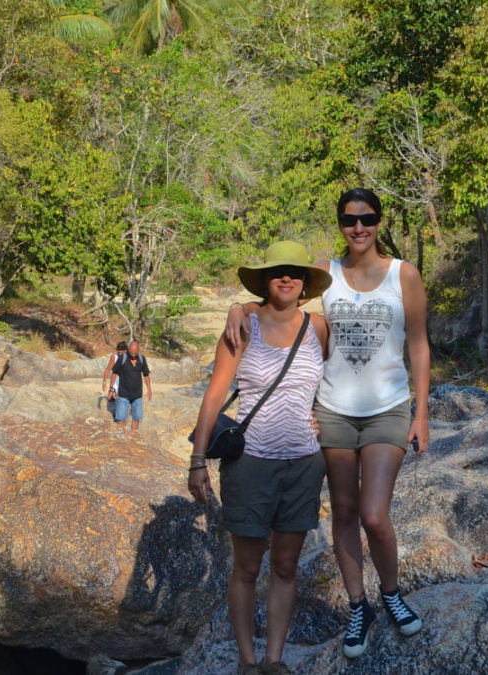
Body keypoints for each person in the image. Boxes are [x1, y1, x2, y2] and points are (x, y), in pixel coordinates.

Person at [225, 188, 430, 659]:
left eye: (368, 218)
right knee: (343, 512)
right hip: (333, 410)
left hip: (388, 408)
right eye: (349, 219)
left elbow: (419, 344)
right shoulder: (326, 274)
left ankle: (391, 593)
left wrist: (421, 412)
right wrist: (240, 308)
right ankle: (359, 606)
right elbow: (281, 302)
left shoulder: (404, 274)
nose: (359, 228)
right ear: (340, 223)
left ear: (379, 222)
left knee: (374, 514)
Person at [189, 240, 331, 675]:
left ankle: (274, 660)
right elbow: (215, 394)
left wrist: (323, 417)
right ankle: (247, 662)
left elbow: (335, 382)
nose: (286, 278)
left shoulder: (319, 327)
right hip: (251, 463)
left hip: (304, 464)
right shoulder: (242, 328)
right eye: (277, 272)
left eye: (295, 272)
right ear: (265, 280)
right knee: (247, 567)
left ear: (305, 282)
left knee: (286, 566)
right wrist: (197, 460)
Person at [108, 340, 152, 430]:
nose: (133, 355)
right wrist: (111, 388)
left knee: (136, 418)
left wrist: (149, 390)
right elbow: (114, 373)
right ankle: (119, 435)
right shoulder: (123, 358)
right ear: (128, 350)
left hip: (137, 395)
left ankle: (133, 436)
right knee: (121, 418)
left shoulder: (142, 359)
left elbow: (146, 375)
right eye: (131, 353)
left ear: (138, 351)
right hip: (124, 394)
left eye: (135, 353)